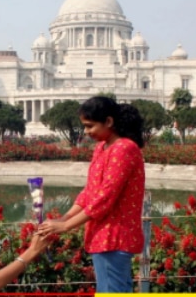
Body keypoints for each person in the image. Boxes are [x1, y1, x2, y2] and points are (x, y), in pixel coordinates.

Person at [38, 96, 145, 292]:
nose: (86, 132)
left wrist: (66, 226)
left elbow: (105, 198)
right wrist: (64, 218)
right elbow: (90, 191)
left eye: (90, 126)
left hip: (114, 237)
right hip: (102, 237)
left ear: (109, 122)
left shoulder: (124, 148)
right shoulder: (102, 148)